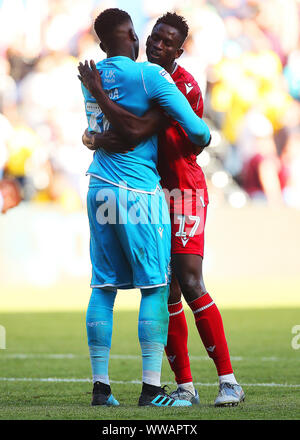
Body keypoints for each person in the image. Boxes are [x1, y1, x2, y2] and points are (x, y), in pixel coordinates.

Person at [81, 12, 245, 407]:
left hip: (183, 191)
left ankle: (228, 381)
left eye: (167, 42)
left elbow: (137, 130)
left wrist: (98, 134)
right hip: (151, 192)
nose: (157, 45)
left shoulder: (182, 86)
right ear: (143, 37)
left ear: (178, 50)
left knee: (189, 282)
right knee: (166, 289)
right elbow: (125, 127)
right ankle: (184, 387)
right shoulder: (140, 77)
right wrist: (97, 134)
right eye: (154, 37)